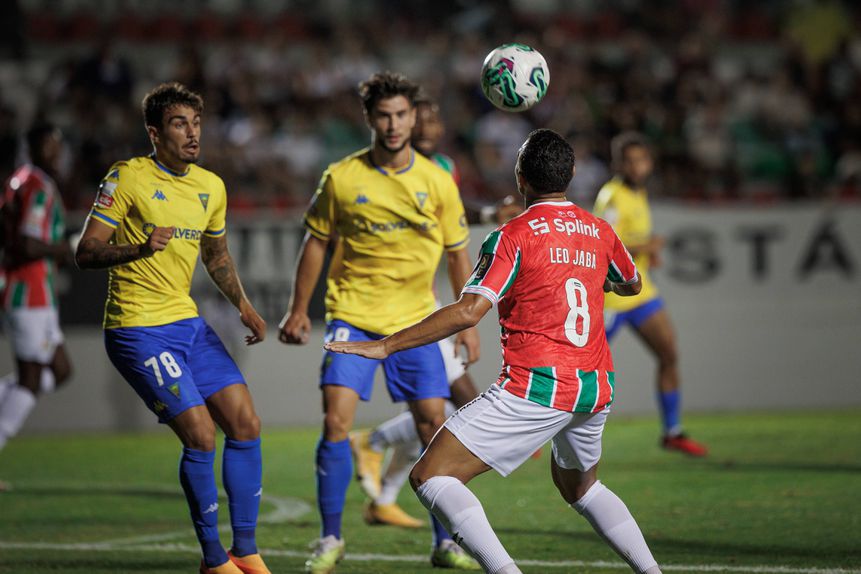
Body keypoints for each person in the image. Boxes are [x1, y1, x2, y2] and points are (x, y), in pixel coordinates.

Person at [327, 128, 663, 574]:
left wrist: (387, 344)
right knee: (582, 488)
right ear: (571, 175)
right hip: (595, 387)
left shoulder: (513, 235)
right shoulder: (599, 230)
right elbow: (631, 283)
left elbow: (469, 312)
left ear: (520, 178)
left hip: (537, 387)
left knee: (430, 476)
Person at [278, 72, 481, 573]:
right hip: (353, 317)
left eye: (401, 115)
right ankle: (330, 539)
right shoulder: (341, 177)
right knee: (335, 421)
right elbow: (316, 243)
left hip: (416, 322)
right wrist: (298, 308)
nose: (393, 125)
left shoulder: (437, 180)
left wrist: (467, 322)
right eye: (384, 116)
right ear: (369, 118)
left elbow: (458, 254)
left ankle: (445, 543)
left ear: (413, 118)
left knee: (433, 425)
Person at [75, 82, 271, 574]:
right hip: (137, 327)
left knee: (245, 423)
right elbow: (86, 251)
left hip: (187, 323)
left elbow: (216, 255)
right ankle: (213, 560)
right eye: (179, 124)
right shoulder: (127, 177)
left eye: (196, 123)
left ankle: (245, 551)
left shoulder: (211, 186)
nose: (192, 133)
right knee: (201, 435)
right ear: (155, 133)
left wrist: (244, 305)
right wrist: (139, 248)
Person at [349, 94, 525, 530]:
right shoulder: (388, 171)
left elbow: (452, 215)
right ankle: (373, 441)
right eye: (420, 119)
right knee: (460, 398)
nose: (428, 126)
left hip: (428, 300)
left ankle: (383, 496)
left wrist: (489, 212)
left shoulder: (442, 167)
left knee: (436, 411)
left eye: (434, 119)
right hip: (404, 305)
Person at [592, 132, 708, 457]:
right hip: (612, 298)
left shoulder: (638, 192)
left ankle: (672, 431)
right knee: (579, 368)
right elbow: (604, 242)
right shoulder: (612, 196)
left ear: (650, 162)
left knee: (668, 353)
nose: (636, 166)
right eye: (629, 161)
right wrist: (647, 246)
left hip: (641, 294)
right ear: (617, 164)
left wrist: (647, 253)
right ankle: (534, 428)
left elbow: (629, 239)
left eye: (641, 160)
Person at [0, 123, 74, 491]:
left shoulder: (17, 181)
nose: (56, 152)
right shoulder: (38, 185)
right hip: (27, 292)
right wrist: (66, 248)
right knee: (30, 378)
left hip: (34, 292)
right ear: (31, 147)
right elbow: (29, 245)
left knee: (60, 370)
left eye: (58, 145)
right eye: (49, 145)